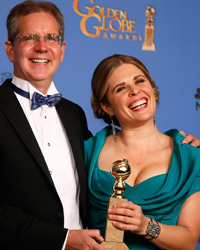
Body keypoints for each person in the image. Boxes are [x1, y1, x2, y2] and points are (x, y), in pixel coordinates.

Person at [1, 1, 108, 249]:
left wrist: (174, 146)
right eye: (30, 37)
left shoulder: (74, 114)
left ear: (62, 48)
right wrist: (62, 239)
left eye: (51, 38)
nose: (42, 47)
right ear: (10, 50)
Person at [84, 54, 200, 250]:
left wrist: (145, 226)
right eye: (121, 88)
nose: (134, 91)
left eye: (139, 81)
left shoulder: (189, 157)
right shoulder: (87, 151)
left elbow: (188, 240)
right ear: (107, 107)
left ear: (152, 89)